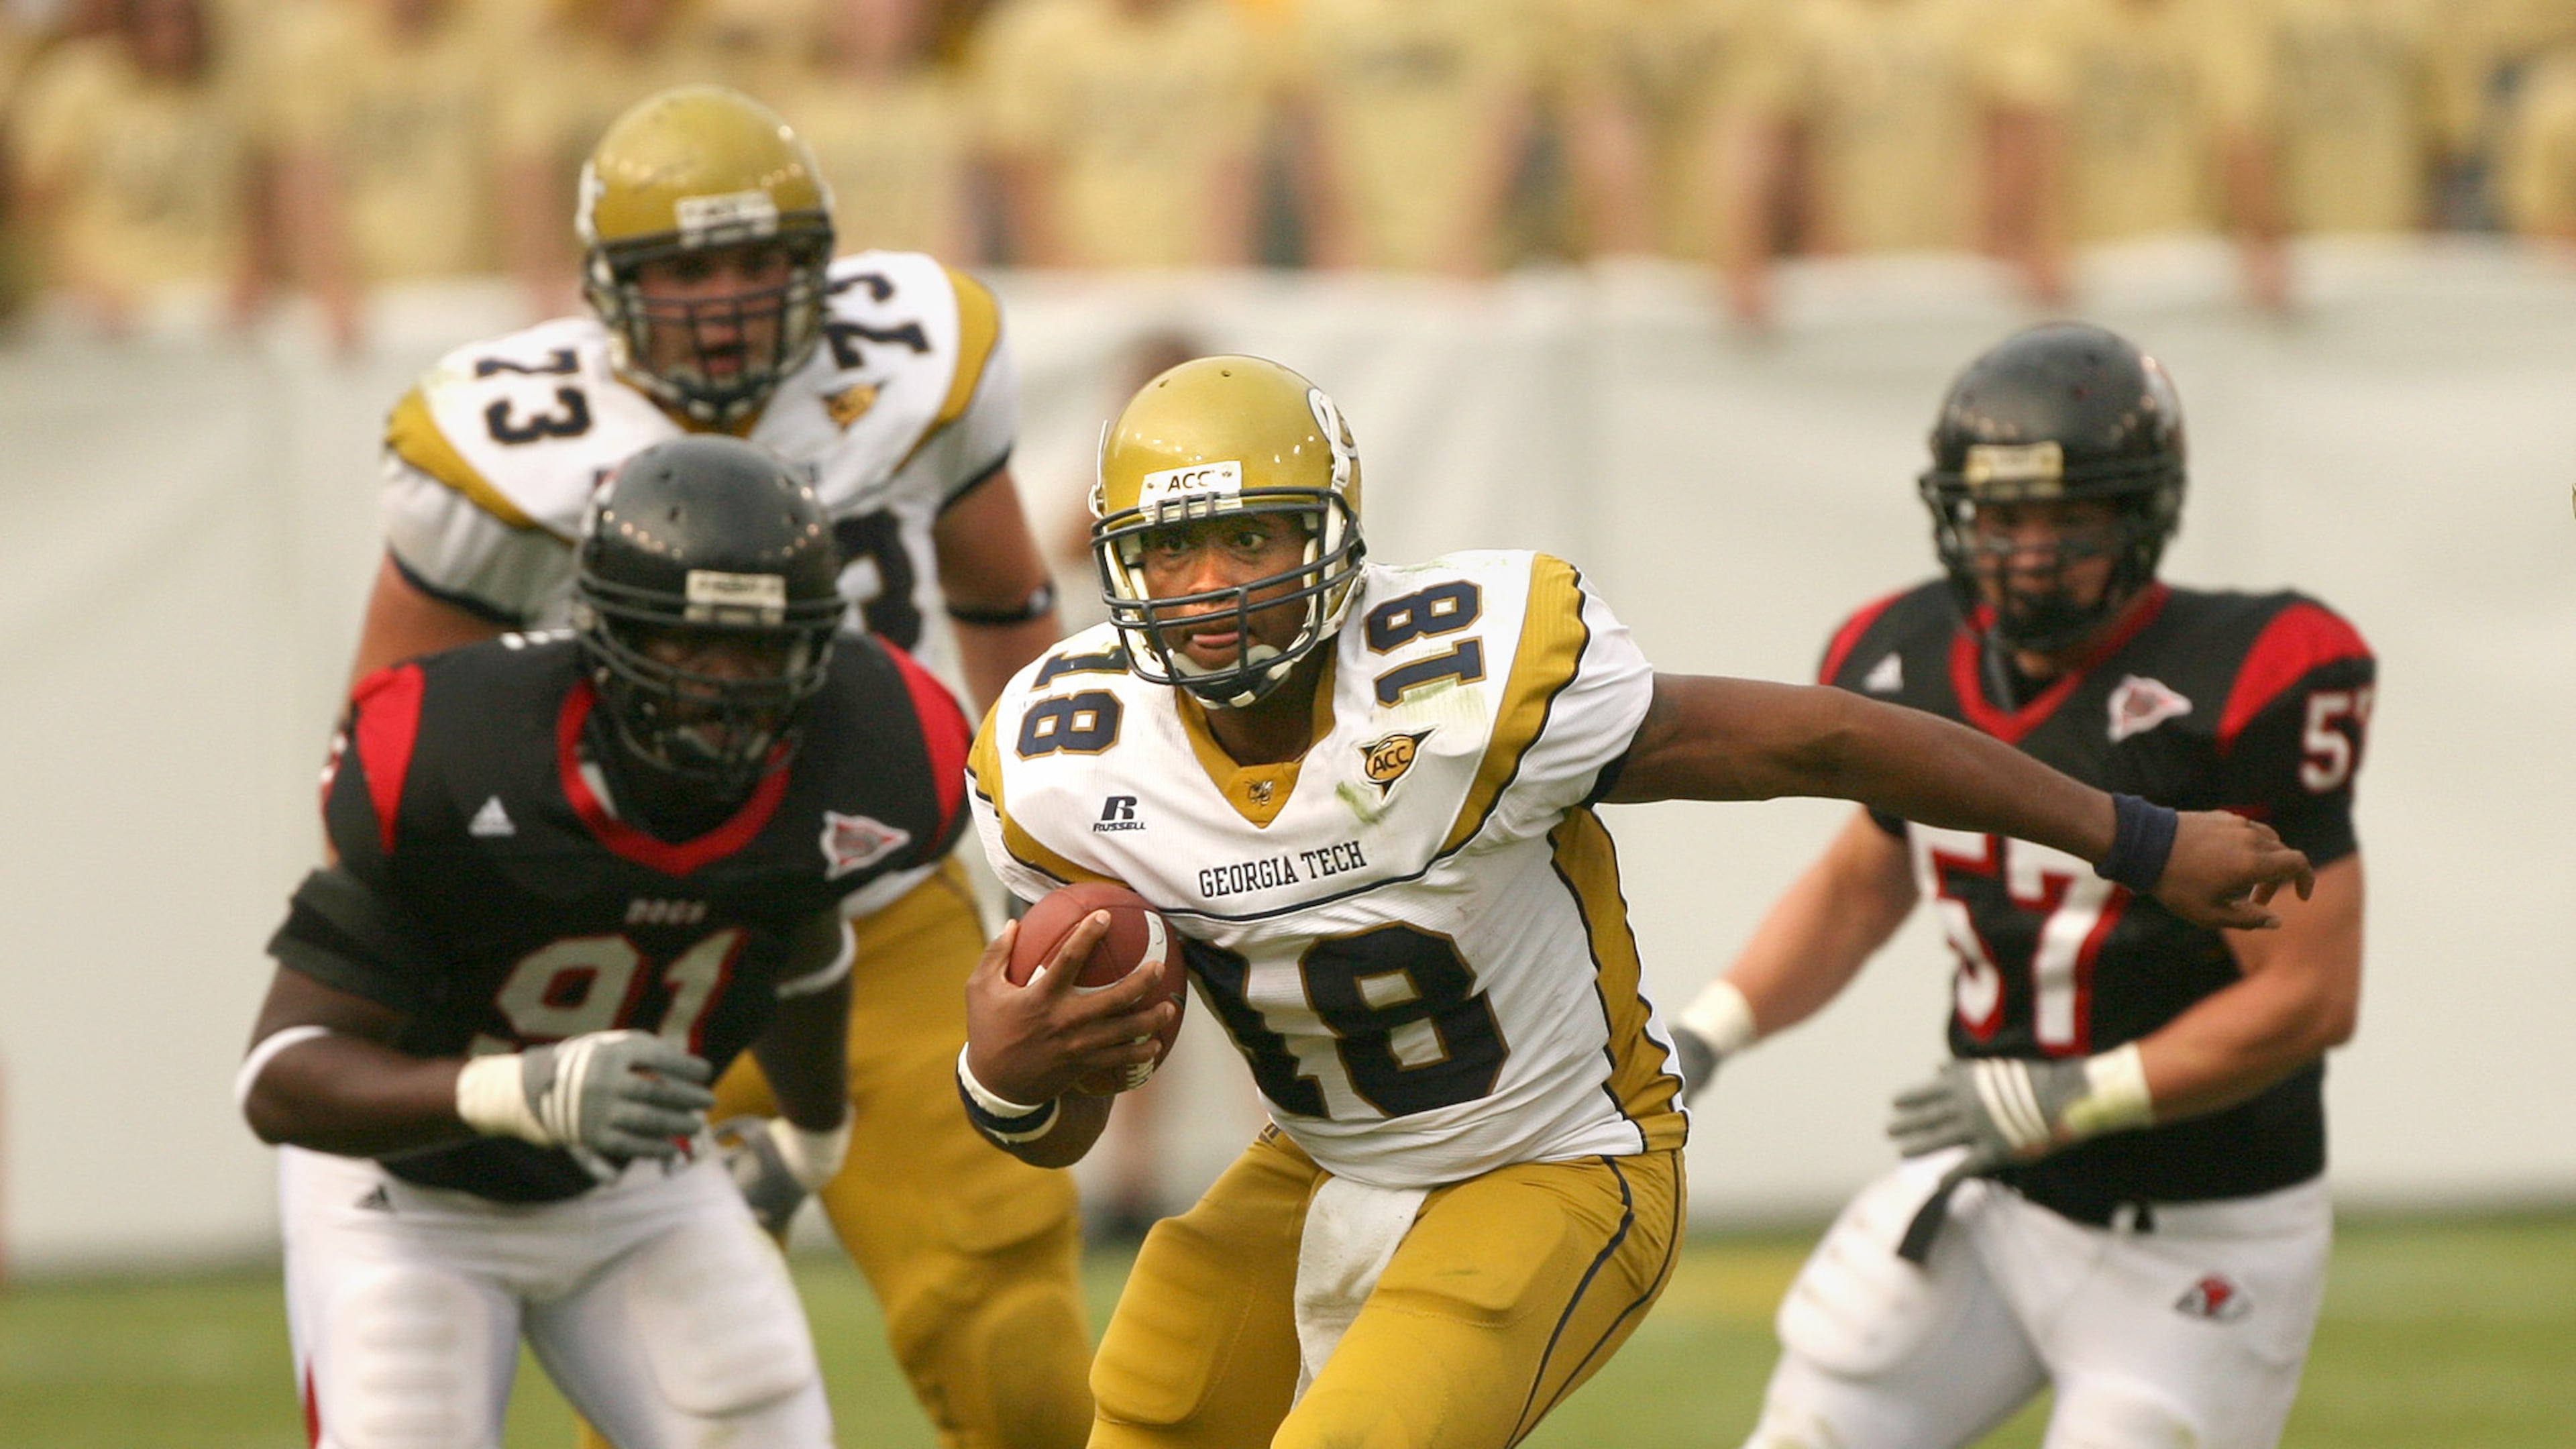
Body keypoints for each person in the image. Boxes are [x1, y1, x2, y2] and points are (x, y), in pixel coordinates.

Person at [957, 354, 2315, 1446]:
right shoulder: (1070, 761)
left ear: (1333, 537)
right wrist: (1005, 1081)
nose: (1211, 589)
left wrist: (2134, 836)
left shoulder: (1467, 682)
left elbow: (1824, 743)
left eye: (1250, 538)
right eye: (1174, 549)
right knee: (1149, 1408)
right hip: (1320, 1161)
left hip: (1554, 1159)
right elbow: (1066, 1128)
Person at [347, 85, 1088, 1449]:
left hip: (883, 906)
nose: (728, 303)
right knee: (660, 1372)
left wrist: (1066, 851)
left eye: (759, 261)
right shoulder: (511, 442)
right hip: (631, 941)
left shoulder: (915, 359)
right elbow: (390, 734)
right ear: (605, 286)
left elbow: (1004, 604)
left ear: (821, 264)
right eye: (685, 270)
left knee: (1015, 1336)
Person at [1668, 322, 2371, 1449]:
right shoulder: (1900, 656)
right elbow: (1861, 886)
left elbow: (2308, 997)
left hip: (2201, 1226)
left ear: (2143, 512)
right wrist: (1708, 1032)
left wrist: (2073, 1094)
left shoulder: (2248, 673)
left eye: (2069, 517)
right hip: (1995, 1194)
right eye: (2003, 518)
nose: (2031, 554)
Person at [238, 436, 975, 1447]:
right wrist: (516, 1092)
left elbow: (803, 940)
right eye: (688, 645)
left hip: (634, 1179)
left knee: (760, 1421)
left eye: (761, 649)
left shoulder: (864, 746)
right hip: (409, 1192)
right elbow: (278, 1078)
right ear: (609, 634)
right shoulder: (461, 751)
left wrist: (813, 1139)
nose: (727, 687)